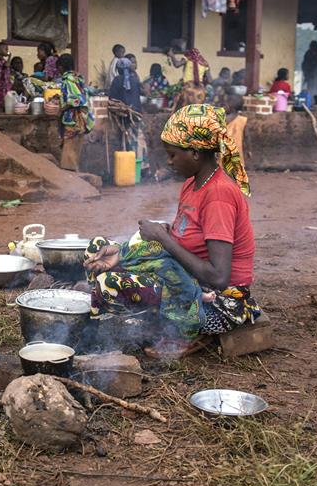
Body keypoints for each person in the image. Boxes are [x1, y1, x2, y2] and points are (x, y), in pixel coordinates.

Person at [83, 104, 258, 359]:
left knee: (110, 284)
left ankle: (188, 331)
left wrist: (162, 238)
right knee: (97, 247)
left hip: (218, 301)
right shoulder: (192, 183)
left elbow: (219, 277)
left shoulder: (218, 194)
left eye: (173, 155)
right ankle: (162, 318)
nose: (169, 161)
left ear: (196, 153)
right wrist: (122, 253)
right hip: (186, 280)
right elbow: (184, 241)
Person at [57, 53, 94, 171]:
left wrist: (62, 108)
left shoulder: (67, 81)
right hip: (82, 117)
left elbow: (75, 100)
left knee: (69, 143)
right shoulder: (79, 78)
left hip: (72, 118)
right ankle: (74, 168)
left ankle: (69, 171)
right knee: (77, 144)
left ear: (61, 67)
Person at [0, 42, 12, 111]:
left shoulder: (2, 60)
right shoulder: (0, 59)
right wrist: (10, 56)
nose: (7, 51)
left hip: (4, 83)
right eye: (6, 49)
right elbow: (7, 65)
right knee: (0, 99)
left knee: (4, 99)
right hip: (1, 84)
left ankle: (2, 111)